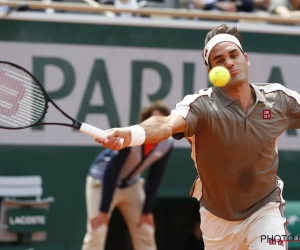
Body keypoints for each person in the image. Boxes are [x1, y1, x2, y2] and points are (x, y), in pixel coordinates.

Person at [95, 24, 300, 249]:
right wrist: (132, 133)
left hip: (265, 209)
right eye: (219, 60)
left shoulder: (279, 98)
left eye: (234, 55)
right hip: (217, 220)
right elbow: (165, 124)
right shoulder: (201, 106)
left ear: (246, 58)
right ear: (211, 71)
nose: (229, 63)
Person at [82, 100, 174, 250]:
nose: (157, 125)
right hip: (102, 182)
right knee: (98, 229)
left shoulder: (167, 144)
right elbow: (111, 172)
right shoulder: (132, 139)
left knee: (145, 228)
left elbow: (155, 177)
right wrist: (103, 211)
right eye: (153, 120)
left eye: (161, 120)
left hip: (131, 185)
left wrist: (147, 211)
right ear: (144, 122)